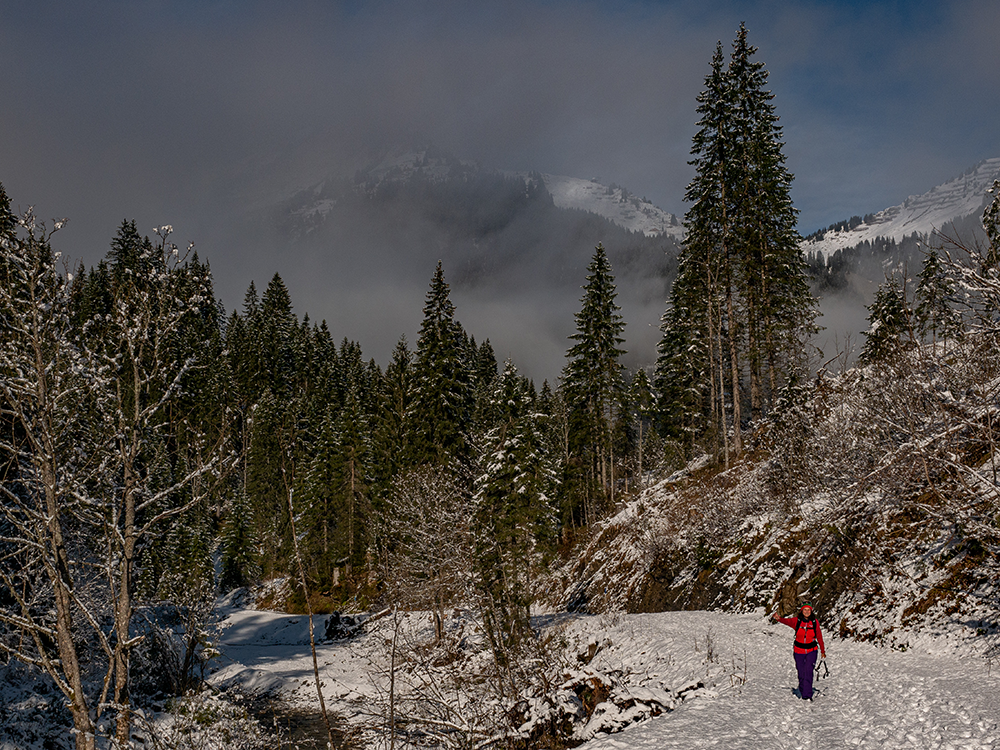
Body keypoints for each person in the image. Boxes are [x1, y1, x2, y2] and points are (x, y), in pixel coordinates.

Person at [771, 603, 826, 701]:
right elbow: (787, 621)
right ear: (801, 611)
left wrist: (823, 650)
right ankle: (802, 689)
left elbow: (819, 636)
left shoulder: (814, 622)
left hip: (812, 650)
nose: (806, 612)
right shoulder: (797, 621)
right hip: (798, 650)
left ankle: (807, 695)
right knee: (801, 671)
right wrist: (778, 618)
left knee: (808, 671)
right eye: (805, 610)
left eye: (808, 610)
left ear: (811, 611)